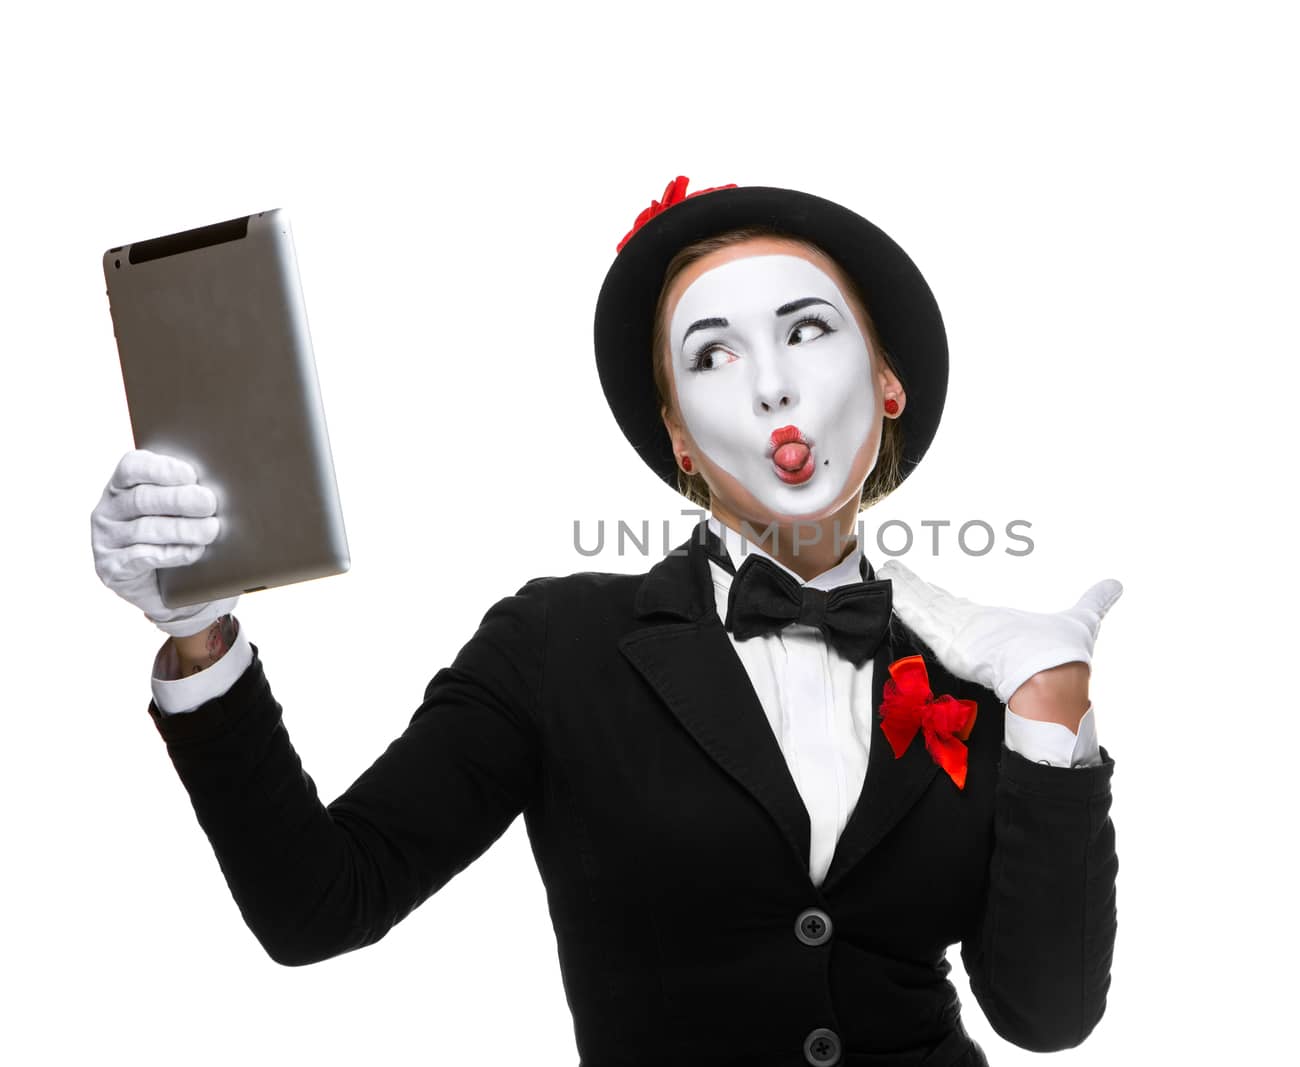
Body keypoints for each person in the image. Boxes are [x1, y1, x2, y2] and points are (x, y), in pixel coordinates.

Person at [88, 176, 1123, 1066]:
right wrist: (203, 636)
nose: (771, 385)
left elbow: (1045, 1016)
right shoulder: (556, 646)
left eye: (806, 331)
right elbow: (319, 904)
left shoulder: (970, 668)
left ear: (887, 382)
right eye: (712, 355)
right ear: (677, 432)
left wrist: (1048, 719)